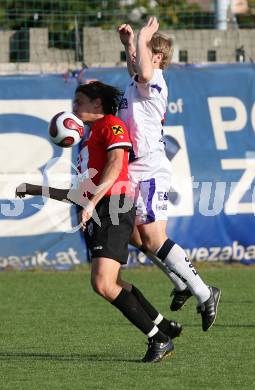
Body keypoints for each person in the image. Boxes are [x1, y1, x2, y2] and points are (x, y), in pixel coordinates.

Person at [15, 81, 182, 363]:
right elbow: (79, 194)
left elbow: (117, 163)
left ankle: (159, 339)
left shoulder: (111, 124)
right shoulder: (88, 141)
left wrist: (92, 203)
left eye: (79, 101)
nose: (74, 107)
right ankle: (162, 326)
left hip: (114, 207)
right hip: (100, 212)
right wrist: (34, 189)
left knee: (103, 284)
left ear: (97, 104)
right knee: (114, 282)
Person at [118, 17, 221, 331]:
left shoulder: (156, 77)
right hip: (135, 171)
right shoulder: (137, 79)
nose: (137, 56)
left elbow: (145, 69)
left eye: (144, 51)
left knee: (152, 236)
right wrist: (128, 44)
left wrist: (144, 36)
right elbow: (136, 68)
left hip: (148, 169)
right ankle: (181, 284)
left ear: (158, 57)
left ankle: (204, 292)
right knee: (137, 237)